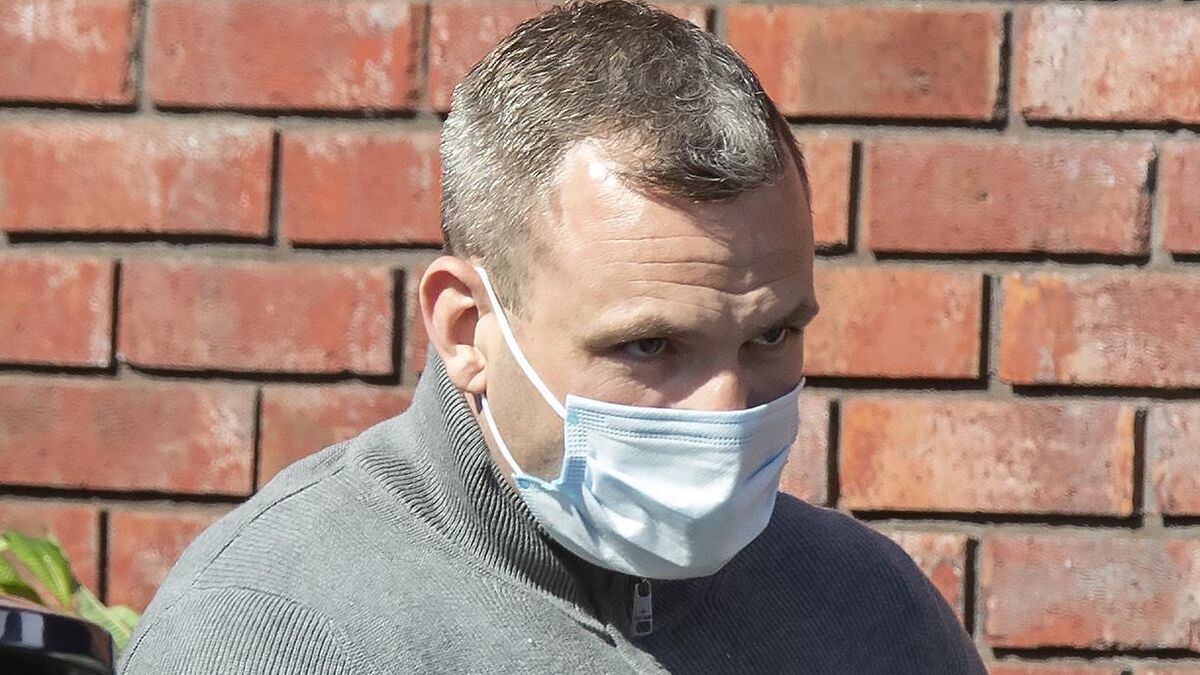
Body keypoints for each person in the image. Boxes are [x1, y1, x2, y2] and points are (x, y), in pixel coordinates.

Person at [119, 1, 986, 672]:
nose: (724, 415)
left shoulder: (871, 613)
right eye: (648, 347)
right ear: (466, 327)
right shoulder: (268, 629)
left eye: (771, 336)